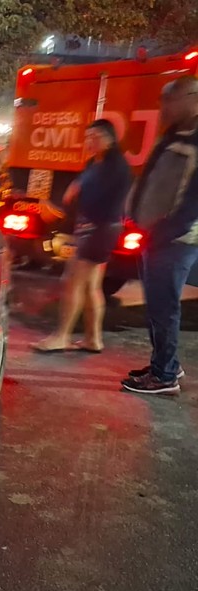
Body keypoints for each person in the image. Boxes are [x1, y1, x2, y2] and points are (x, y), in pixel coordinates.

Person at [121, 75, 198, 395]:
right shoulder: (172, 135)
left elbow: (192, 202)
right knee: (157, 307)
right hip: (155, 237)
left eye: (170, 100)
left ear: (192, 98)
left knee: (164, 308)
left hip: (174, 242)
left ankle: (164, 376)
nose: (163, 107)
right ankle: (165, 364)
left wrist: (164, 232)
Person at [32, 119, 132, 353]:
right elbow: (77, 193)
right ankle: (92, 339)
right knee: (90, 286)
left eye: (96, 136)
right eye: (88, 137)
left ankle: (62, 336)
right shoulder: (93, 164)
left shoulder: (116, 165)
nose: (90, 141)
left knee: (71, 282)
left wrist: (76, 196)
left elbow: (99, 199)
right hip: (92, 228)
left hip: (100, 229)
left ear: (110, 139)